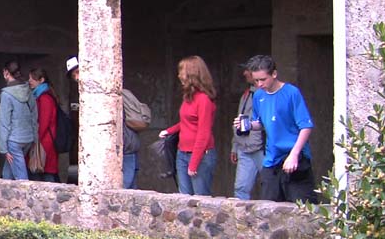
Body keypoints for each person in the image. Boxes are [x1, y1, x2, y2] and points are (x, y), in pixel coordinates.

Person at [242, 54, 318, 203]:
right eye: (256, 80)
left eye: (263, 79)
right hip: (271, 159)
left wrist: (294, 155)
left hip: (295, 155)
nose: (259, 84)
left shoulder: (291, 93)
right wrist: (249, 125)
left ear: (274, 74)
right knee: (268, 207)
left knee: (302, 206)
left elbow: (306, 126)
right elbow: (260, 123)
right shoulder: (258, 96)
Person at [66, 55, 150, 189]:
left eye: (78, 72)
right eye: (73, 75)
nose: (76, 78)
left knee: (124, 190)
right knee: (129, 190)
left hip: (123, 147)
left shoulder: (103, 92)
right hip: (125, 146)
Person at [158, 55, 217, 196]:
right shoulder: (189, 97)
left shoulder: (204, 100)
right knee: (183, 198)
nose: (179, 76)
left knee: (200, 199)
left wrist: (194, 162)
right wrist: (169, 131)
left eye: (182, 71)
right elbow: (187, 121)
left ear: (192, 74)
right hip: (182, 153)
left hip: (200, 156)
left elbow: (204, 133)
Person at [0, 60, 37, 180]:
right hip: (28, 139)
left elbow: (3, 122)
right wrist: (34, 136)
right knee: (7, 173)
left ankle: (27, 198)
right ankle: (2, 196)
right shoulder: (27, 90)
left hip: (14, 140)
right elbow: (34, 114)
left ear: (6, 72)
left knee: (21, 180)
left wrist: (4, 148)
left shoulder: (6, 94)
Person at [230, 63, 265, 200]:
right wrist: (235, 146)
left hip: (261, 148)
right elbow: (239, 119)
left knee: (271, 186)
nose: (244, 73)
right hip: (244, 147)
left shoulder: (265, 95)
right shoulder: (246, 94)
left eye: (247, 70)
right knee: (240, 188)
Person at [27, 67, 60, 182]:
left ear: (41, 80)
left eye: (33, 78)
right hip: (44, 142)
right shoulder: (41, 96)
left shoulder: (45, 98)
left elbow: (43, 123)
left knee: (45, 175)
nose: (29, 81)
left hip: (44, 144)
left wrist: (34, 139)